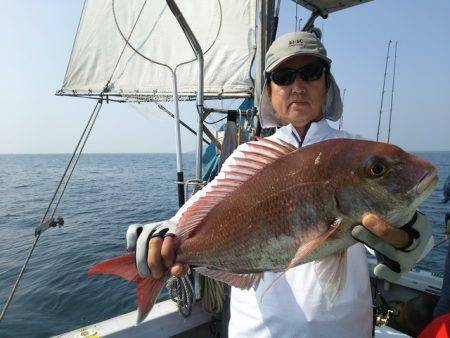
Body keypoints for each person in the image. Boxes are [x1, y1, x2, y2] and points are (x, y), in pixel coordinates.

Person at [126, 31, 434, 337]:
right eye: (283, 76)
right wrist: (165, 236)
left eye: (311, 73)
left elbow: (414, 244)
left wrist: (410, 239)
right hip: (258, 332)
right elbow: (203, 204)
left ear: (327, 84)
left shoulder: (358, 150)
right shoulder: (247, 156)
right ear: (269, 92)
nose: (297, 86)